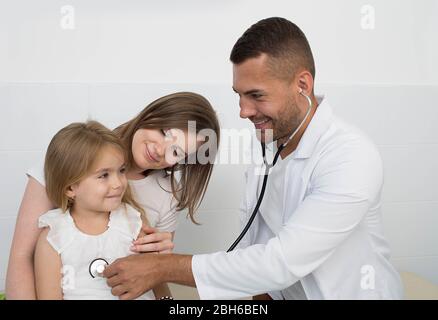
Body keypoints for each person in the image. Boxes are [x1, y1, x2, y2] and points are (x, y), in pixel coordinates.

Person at [103, 17, 404, 300]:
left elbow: (280, 262)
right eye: (239, 95)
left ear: (303, 84)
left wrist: (161, 267)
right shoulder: (268, 145)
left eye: (256, 96)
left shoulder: (350, 157)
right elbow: (257, 246)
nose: (243, 112)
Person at [6, 92, 220, 299]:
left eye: (176, 152)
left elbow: (155, 276)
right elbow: (22, 257)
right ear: (151, 114)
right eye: (164, 132)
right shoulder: (74, 155)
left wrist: (161, 261)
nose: (160, 150)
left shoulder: (166, 194)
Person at [35, 120, 167, 299]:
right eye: (103, 175)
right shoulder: (54, 236)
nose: (118, 183)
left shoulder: (133, 221)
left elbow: (156, 277)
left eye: (121, 171)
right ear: (70, 188)